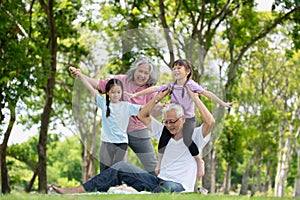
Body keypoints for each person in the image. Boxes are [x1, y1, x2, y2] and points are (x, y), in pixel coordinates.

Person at [50, 85, 215, 194]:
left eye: (173, 121)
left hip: (179, 187)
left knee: (165, 189)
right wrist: (157, 98)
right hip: (157, 181)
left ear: (183, 119)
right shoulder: (162, 132)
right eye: (166, 121)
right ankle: (76, 190)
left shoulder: (195, 136)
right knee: (121, 167)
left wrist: (195, 98)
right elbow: (143, 114)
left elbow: (210, 122)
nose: (169, 125)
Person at [126, 59, 234, 178]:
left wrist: (223, 103)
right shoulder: (171, 85)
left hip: (187, 119)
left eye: (179, 68)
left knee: (187, 140)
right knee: (163, 139)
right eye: (174, 68)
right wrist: (135, 95)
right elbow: (154, 89)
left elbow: (207, 94)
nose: (175, 70)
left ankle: (198, 160)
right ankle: (159, 163)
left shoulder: (191, 85)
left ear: (187, 71)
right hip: (174, 118)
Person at [69, 57, 160, 173]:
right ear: (134, 70)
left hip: (138, 130)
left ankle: (161, 187)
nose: (142, 75)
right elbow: (98, 85)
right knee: (109, 165)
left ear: (150, 75)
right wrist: (80, 75)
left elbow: (152, 110)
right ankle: (108, 188)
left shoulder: (150, 90)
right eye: (140, 71)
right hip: (116, 132)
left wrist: (161, 108)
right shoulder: (120, 80)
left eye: (146, 73)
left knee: (151, 163)